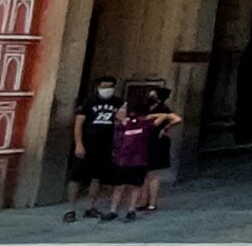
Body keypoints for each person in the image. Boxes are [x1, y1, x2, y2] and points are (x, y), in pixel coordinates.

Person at [107, 88, 179, 224]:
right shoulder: (138, 123)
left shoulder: (144, 122)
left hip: (138, 155)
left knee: (141, 180)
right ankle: (133, 207)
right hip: (134, 156)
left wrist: (161, 124)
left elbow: (170, 117)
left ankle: (137, 207)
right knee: (133, 183)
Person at [64, 75, 123, 223]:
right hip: (87, 143)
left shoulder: (118, 102)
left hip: (105, 145)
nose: (107, 90)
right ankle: (71, 209)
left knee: (97, 178)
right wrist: (79, 144)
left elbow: (123, 119)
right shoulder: (88, 102)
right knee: (76, 177)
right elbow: (78, 124)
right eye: (104, 87)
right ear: (98, 87)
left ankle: (91, 207)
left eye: (110, 87)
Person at [137, 81, 179, 214]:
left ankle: (152, 203)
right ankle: (143, 201)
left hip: (157, 143)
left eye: (153, 95)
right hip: (145, 141)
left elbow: (177, 119)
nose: (150, 97)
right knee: (144, 173)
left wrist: (165, 128)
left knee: (153, 174)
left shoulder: (163, 109)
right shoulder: (145, 108)